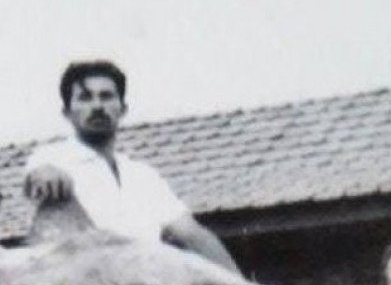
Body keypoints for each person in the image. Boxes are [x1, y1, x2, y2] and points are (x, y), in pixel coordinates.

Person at [23, 60, 240, 273]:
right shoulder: (51, 158)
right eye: (85, 98)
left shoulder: (143, 176)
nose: (97, 106)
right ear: (67, 112)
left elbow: (191, 234)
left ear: (123, 109)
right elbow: (39, 175)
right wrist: (46, 175)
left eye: (106, 96)